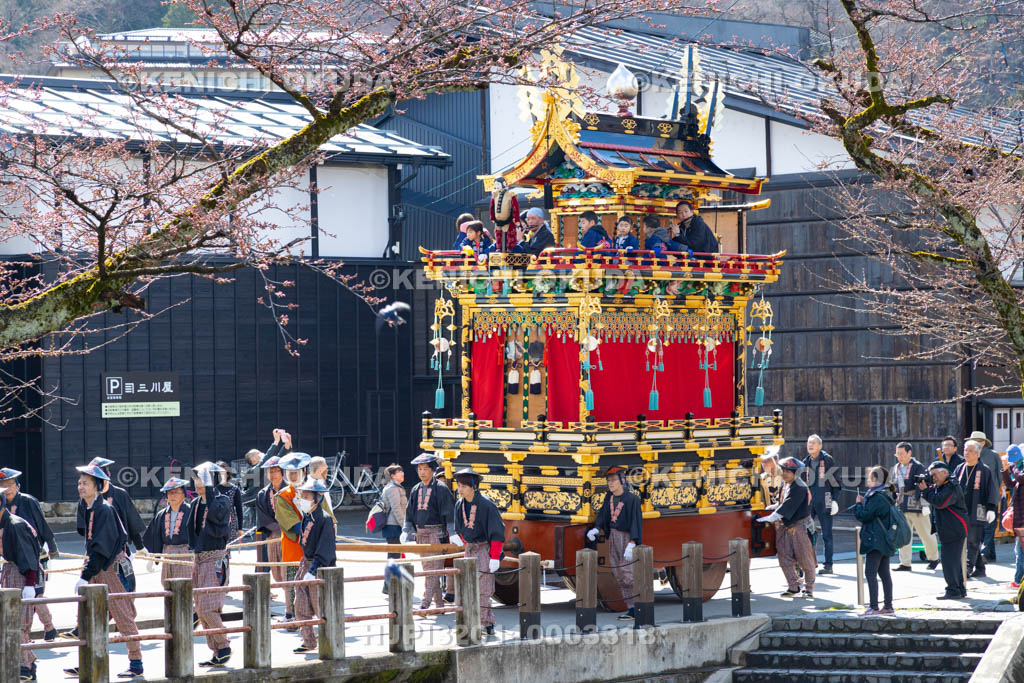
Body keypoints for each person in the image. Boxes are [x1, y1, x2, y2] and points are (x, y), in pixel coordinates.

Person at [64, 463, 142, 679]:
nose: (80, 487)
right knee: (90, 616)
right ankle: (89, 659)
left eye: (85, 483)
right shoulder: (89, 507)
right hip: (98, 566)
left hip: (111, 568)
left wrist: (85, 576)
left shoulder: (104, 510)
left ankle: (136, 663)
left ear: (98, 486)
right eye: (79, 483)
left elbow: (102, 547)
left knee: (123, 615)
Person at [0, 468, 58, 642]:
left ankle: (44, 629)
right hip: (12, 558)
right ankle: (42, 631)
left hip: (34, 554)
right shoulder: (2, 505)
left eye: (10, 485)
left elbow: (42, 525)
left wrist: (52, 548)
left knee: (35, 592)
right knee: (24, 597)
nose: (7, 489)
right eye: (3, 485)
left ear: (17, 486)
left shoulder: (28, 501)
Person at [451, 467, 505, 635]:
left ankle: (479, 624)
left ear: (473, 486)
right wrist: (459, 537)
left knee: (483, 589)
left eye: (463, 486)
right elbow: (459, 526)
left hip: (484, 549)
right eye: (458, 486)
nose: (460, 490)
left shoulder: (487, 504)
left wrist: (495, 556)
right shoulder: (459, 504)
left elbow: (497, 531)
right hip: (469, 548)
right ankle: (489, 624)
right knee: (470, 586)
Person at [0, 472, 43, 682]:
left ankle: (27, 666)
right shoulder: (5, 522)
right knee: (10, 621)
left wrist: (30, 583)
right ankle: (26, 663)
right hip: (11, 571)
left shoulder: (15, 524)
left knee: (19, 623)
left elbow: (28, 556)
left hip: (23, 573)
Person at [190, 461, 233, 667]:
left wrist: (209, 488)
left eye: (203, 478)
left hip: (215, 559)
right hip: (200, 559)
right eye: (197, 478)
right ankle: (216, 651)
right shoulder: (196, 503)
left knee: (208, 608)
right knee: (200, 608)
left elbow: (216, 517)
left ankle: (224, 645)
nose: (198, 483)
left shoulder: (222, 500)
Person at [588, 465, 643, 620]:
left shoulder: (632, 499)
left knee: (629, 574)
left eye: (613, 480)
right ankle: (630, 607)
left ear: (622, 481)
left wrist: (633, 542)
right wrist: (597, 529)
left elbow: (636, 521)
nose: (610, 484)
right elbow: (604, 516)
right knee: (619, 574)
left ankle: (639, 606)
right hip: (613, 537)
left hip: (626, 537)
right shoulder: (609, 498)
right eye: (609, 481)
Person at [403, 453, 456, 610]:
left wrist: (452, 532)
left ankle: (425, 603)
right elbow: (409, 512)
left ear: (432, 470)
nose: (422, 472)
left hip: (436, 534)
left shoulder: (441, 489)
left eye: (425, 469)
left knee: (432, 571)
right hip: (420, 534)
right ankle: (439, 605)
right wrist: (406, 529)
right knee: (429, 569)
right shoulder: (415, 489)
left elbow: (449, 513)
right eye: (419, 469)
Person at [292, 478, 338, 654]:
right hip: (306, 563)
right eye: (301, 494)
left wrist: (312, 570)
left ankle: (332, 641)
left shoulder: (325, 519)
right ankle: (308, 640)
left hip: (319, 567)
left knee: (321, 606)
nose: (302, 498)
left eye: (306, 495)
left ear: (317, 498)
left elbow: (325, 548)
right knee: (300, 604)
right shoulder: (306, 517)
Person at [759, 456, 816, 598]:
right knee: (784, 557)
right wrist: (769, 508)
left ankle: (808, 589)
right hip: (787, 526)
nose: (784, 473)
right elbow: (781, 504)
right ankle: (793, 586)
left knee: (805, 559)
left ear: (795, 473)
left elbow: (788, 505)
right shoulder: (786, 485)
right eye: (783, 470)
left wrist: (772, 516)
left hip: (800, 527)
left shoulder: (800, 487)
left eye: (788, 471)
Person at [74, 456, 146, 555]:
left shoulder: (120, 494)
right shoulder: (86, 498)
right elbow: (83, 528)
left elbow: (132, 522)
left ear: (108, 475)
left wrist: (140, 547)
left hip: (119, 549)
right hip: (95, 549)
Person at [919, 460, 968, 599]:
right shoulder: (942, 485)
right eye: (931, 475)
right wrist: (928, 488)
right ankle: (959, 589)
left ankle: (953, 590)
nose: (932, 478)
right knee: (954, 562)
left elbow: (941, 502)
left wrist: (926, 491)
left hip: (954, 530)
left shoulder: (951, 486)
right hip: (949, 529)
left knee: (948, 563)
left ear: (944, 472)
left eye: (934, 474)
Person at [853, 466, 898, 615]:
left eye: (870, 478)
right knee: (884, 573)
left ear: (876, 479)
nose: (867, 480)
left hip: (876, 539)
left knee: (870, 573)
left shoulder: (877, 496)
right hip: (884, 538)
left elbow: (864, 516)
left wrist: (858, 504)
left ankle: (874, 607)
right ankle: (888, 606)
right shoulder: (886, 493)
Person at [890, 442, 939, 571]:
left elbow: (922, 484)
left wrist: (921, 501)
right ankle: (905, 563)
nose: (899, 457)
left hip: (917, 503)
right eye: (897, 454)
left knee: (925, 533)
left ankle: (934, 558)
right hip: (901, 503)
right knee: (904, 534)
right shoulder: (895, 467)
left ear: (909, 453)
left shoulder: (918, 467)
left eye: (902, 453)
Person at [954, 440, 998, 578]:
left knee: (973, 540)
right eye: (965, 450)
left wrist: (991, 508)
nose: (966, 453)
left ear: (978, 453)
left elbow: (991, 490)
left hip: (977, 509)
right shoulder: (959, 468)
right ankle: (980, 568)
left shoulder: (984, 470)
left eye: (970, 450)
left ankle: (967, 568)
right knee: (968, 539)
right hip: (961, 510)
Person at [143, 477, 194, 586]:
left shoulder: (191, 511)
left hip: (186, 554)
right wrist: (152, 558)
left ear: (183, 494)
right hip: (168, 553)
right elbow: (153, 537)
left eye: (176, 492)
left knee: (184, 586)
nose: (172, 496)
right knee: (168, 587)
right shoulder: (161, 515)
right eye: (170, 493)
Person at [255, 454, 291, 607]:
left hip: (291, 536)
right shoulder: (263, 494)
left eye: (276, 471)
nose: (273, 474)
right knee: (276, 573)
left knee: (288, 573)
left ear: (282, 472)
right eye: (270, 471)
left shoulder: (291, 490)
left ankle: (291, 608)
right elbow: (263, 519)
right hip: (273, 537)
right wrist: (277, 530)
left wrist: (288, 528)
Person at [803, 435, 840, 574]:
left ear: (820, 446)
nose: (810, 445)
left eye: (813, 443)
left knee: (827, 534)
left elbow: (836, 482)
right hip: (809, 502)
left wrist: (835, 500)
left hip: (825, 499)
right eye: (808, 443)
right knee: (806, 533)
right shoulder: (805, 462)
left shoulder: (827, 460)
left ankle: (828, 565)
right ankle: (808, 563)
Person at [968, 430, 1003, 562]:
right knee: (981, 527)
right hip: (976, 496)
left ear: (983, 443)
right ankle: (990, 554)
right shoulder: (970, 456)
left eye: (976, 441)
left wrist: (994, 489)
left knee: (989, 526)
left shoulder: (993, 455)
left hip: (990, 495)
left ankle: (984, 552)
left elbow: (999, 476)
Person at [380, 463, 408, 591]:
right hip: (393, 526)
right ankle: (389, 585)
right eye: (399, 472)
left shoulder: (396, 487)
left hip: (395, 525)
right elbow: (396, 509)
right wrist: (404, 527)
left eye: (402, 471)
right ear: (392, 476)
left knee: (394, 556)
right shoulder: (392, 488)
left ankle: (390, 585)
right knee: (394, 557)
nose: (402, 474)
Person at [1003, 451, 1024, 588]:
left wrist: (1012, 467)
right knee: (1019, 550)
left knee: (1020, 551)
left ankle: (1018, 580)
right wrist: (1005, 469)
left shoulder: (1020, 470)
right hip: (1020, 516)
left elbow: (1020, 478)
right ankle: (1018, 580)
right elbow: (1011, 483)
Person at [216, 460, 245, 542]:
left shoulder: (234, 489)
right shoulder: (213, 490)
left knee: (227, 550)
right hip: (215, 524)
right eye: (218, 472)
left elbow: (239, 510)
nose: (220, 474)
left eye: (222, 472)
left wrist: (240, 528)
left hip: (229, 523)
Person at [240, 448, 265, 532]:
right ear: (253, 459)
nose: (260, 453)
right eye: (257, 453)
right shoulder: (253, 470)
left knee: (258, 522)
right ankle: (259, 541)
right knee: (258, 524)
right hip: (255, 499)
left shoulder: (255, 468)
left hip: (255, 499)